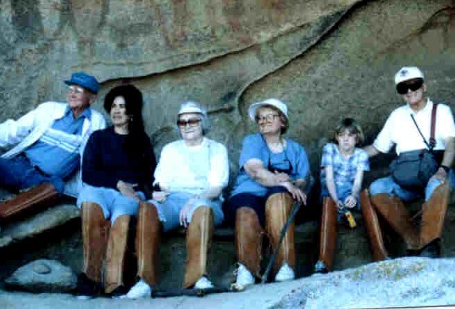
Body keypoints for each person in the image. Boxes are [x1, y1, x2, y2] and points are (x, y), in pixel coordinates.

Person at [0, 72, 107, 243]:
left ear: (92, 98)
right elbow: (14, 129)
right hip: (17, 167)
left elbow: (96, 162)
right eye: (71, 89)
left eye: (78, 91)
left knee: (57, 185)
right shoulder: (49, 109)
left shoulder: (96, 123)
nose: (72, 94)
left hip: (43, 182)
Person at [123, 101, 229, 298]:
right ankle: (144, 281)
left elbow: (215, 188)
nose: (187, 126)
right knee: (148, 209)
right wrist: (158, 192)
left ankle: (198, 278)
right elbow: (162, 182)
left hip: (206, 199)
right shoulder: (170, 149)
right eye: (182, 122)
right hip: (173, 199)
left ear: (203, 123)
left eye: (192, 121)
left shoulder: (216, 149)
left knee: (202, 210)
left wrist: (193, 201)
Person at [364, 66, 455, 259]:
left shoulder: (441, 111)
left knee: (437, 184)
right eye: (403, 88)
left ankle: (429, 245)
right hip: (407, 179)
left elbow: (451, 144)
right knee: (377, 188)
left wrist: (443, 170)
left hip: (435, 171)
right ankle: (413, 242)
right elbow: (376, 148)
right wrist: (347, 154)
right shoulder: (397, 116)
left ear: (424, 86)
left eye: (414, 85)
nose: (409, 91)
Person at [75, 84, 156, 298]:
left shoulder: (141, 141)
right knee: (90, 205)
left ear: (131, 112)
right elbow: (88, 173)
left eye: (122, 106)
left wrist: (142, 194)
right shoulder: (98, 138)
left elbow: (150, 176)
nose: (117, 111)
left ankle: (114, 282)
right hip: (100, 190)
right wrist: (118, 183)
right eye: (113, 106)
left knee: (122, 216)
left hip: (129, 194)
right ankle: (89, 279)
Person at [226, 98, 310, 289]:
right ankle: (246, 269)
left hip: (279, 200)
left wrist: (290, 184)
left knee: (278, 198)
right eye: (260, 118)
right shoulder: (253, 141)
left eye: (269, 117)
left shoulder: (296, 149)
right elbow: (255, 171)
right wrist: (284, 181)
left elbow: (301, 182)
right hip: (249, 194)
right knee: (246, 208)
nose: (263, 121)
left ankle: (284, 265)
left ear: (283, 121)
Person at [314, 118, 370, 273]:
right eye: (341, 135)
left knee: (365, 197)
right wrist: (335, 199)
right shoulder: (330, 149)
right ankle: (322, 262)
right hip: (329, 190)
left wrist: (353, 195)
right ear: (337, 137)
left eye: (350, 135)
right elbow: (329, 178)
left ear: (357, 138)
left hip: (348, 191)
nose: (345, 139)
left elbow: (358, 182)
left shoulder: (361, 155)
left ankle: (381, 252)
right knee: (329, 204)